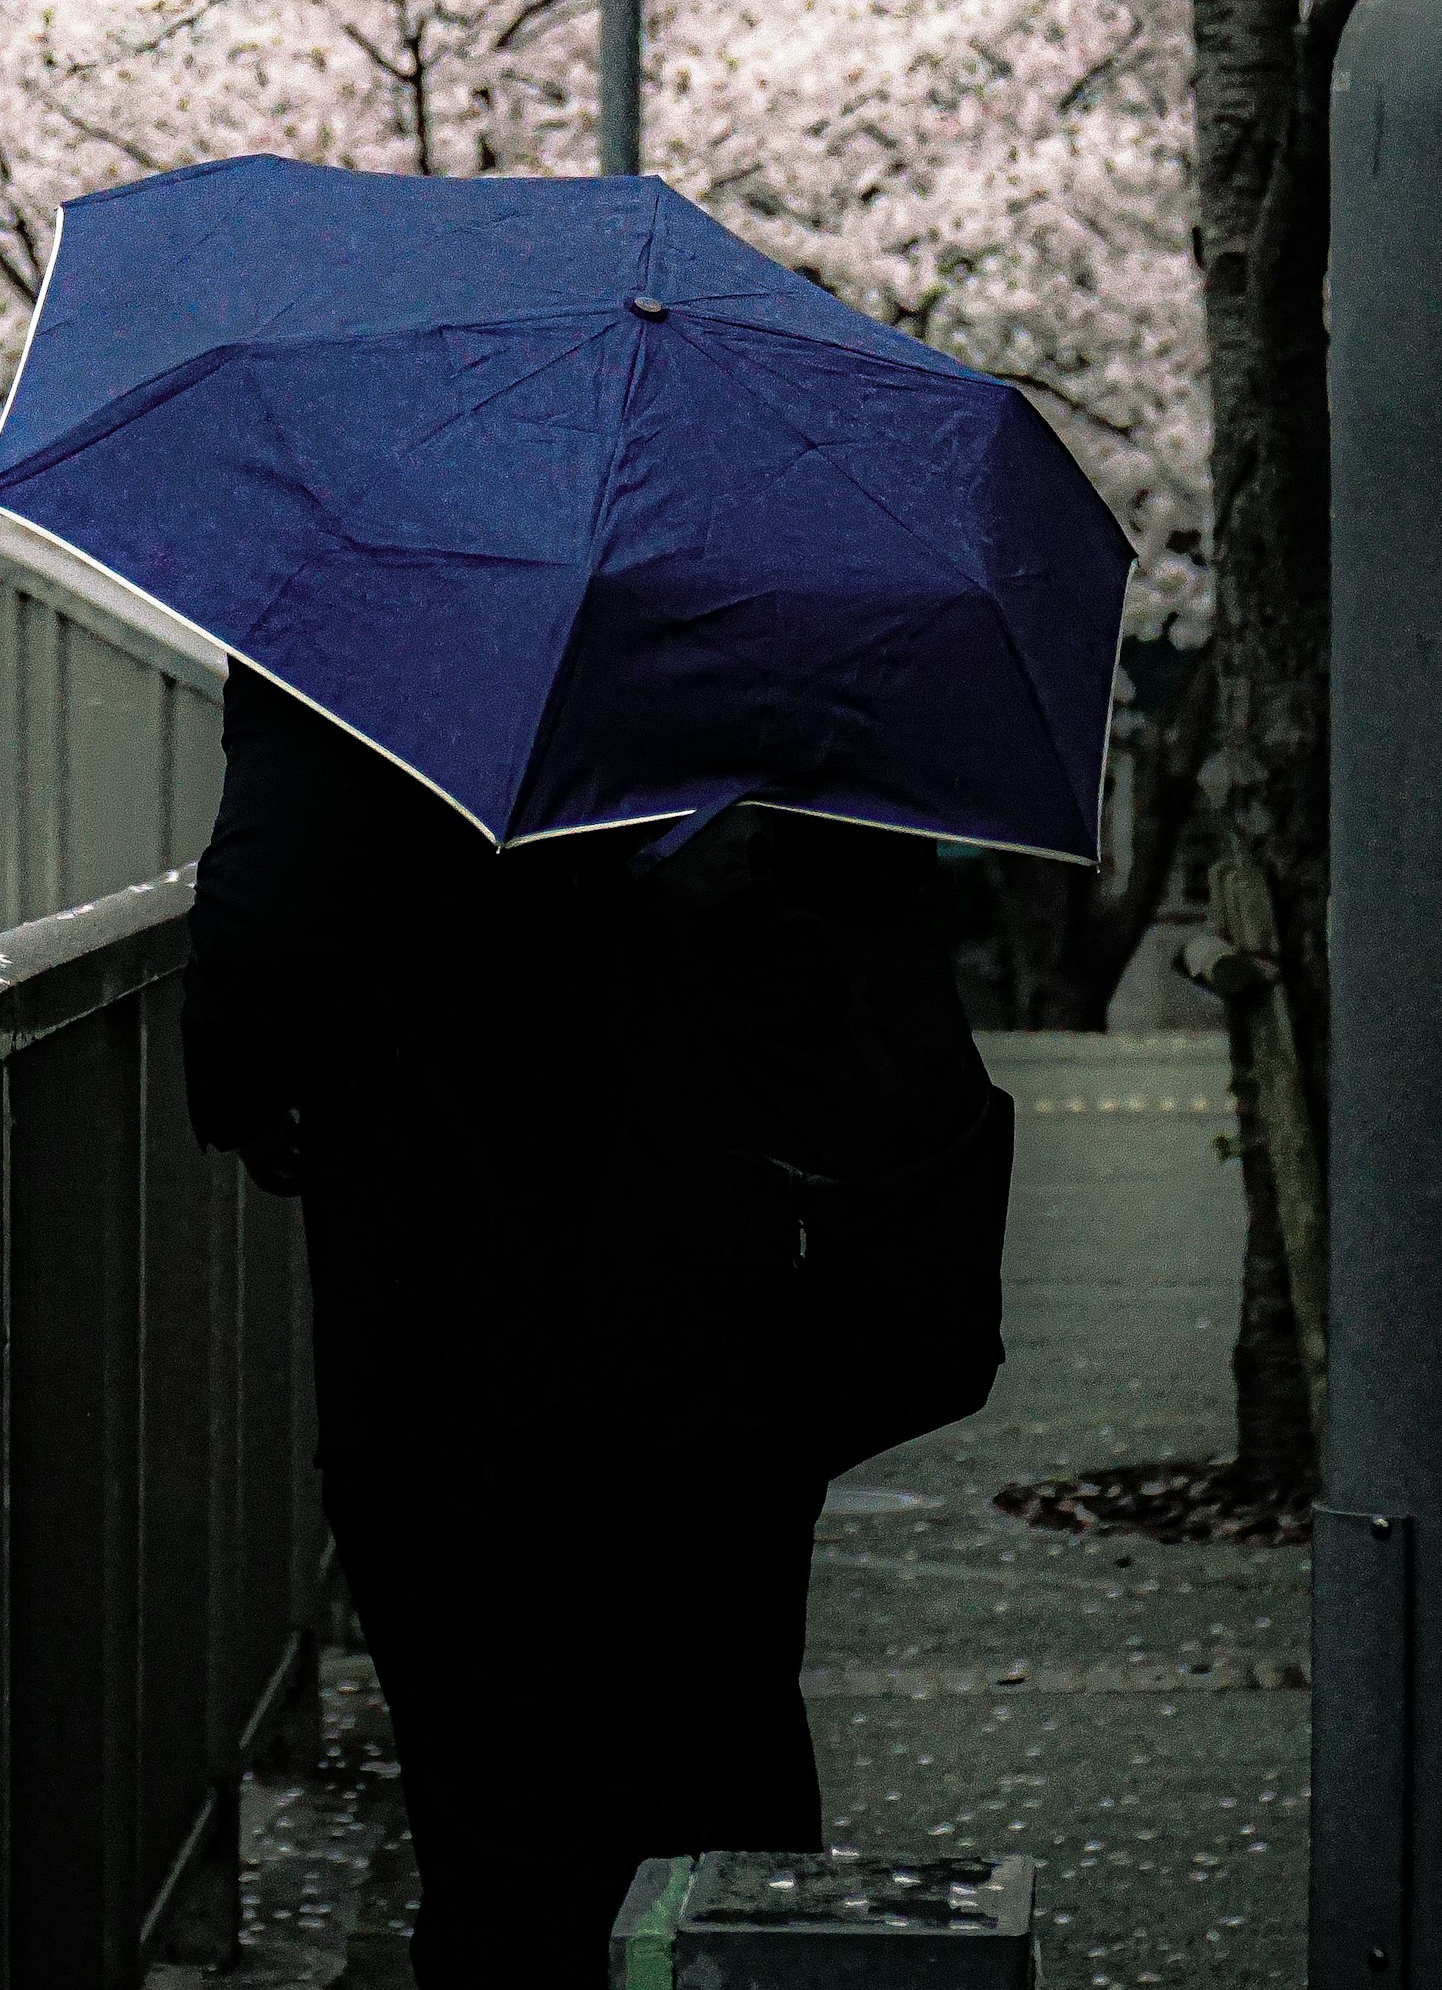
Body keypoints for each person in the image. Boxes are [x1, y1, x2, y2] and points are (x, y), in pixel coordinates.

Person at [183, 658, 1008, 1986]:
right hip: (737, 1270)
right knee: (720, 1744)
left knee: (501, 1818)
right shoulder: (784, 571)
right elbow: (885, 913)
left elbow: (270, 925)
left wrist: (243, 1087)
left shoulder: (368, 589)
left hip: (454, 1295)